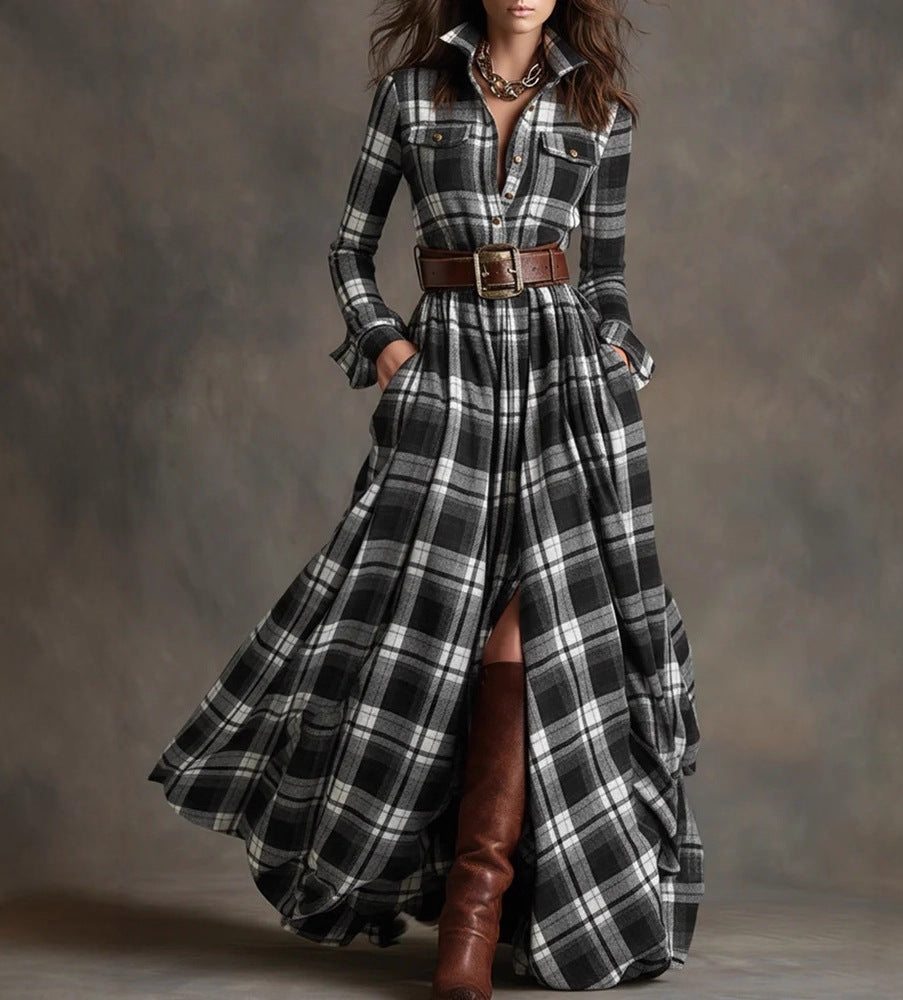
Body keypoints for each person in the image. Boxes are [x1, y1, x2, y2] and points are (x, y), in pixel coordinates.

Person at [147, 2, 704, 997]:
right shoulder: (411, 97)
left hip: (566, 388)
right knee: (422, 626)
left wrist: (619, 355)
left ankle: (474, 920)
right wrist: (391, 350)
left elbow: (607, 279)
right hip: (449, 378)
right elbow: (347, 250)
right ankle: (423, 876)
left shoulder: (599, 109)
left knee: (541, 626)